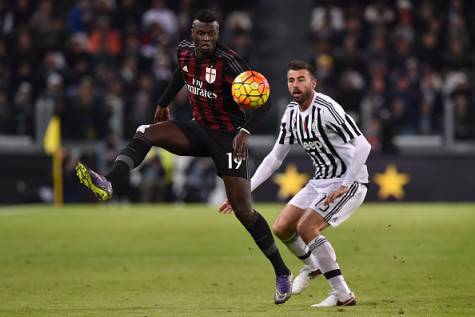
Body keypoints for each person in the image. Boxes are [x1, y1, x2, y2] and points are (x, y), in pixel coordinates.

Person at [74, 10, 293, 305]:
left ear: (218, 35)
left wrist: (244, 130)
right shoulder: (183, 51)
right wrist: (163, 102)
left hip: (228, 138)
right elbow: (181, 73)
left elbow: (263, 103)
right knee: (146, 131)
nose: (205, 39)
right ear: (192, 32)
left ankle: (282, 272)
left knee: (243, 211)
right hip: (197, 129)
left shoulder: (231, 62)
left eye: (211, 34)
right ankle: (109, 183)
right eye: (201, 34)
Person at [220, 59, 371, 307]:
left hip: (349, 182)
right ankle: (312, 266)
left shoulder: (327, 108)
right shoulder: (291, 113)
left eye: (301, 79)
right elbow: (275, 158)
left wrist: (345, 183)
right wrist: (244, 192)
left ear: (313, 82)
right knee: (281, 227)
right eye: (291, 80)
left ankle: (343, 294)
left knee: (307, 228)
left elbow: (363, 145)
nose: (295, 85)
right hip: (320, 181)